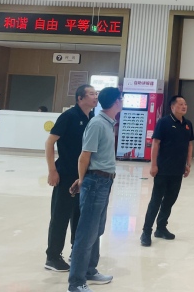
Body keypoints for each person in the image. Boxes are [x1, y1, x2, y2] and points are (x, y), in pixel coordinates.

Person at [67, 87, 122, 292]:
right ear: (116, 102)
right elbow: (84, 156)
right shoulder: (98, 124)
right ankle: (76, 282)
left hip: (104, 182)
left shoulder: (108, 123)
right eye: (121, 99)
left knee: (97, 229)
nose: (122, 102)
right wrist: (82, 181)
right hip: (95, 182)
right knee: (86, 233)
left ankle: (90, 270)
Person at [44, 85, 98, 272]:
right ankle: (52, 257)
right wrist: (52, 170)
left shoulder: (92, 117)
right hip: (66, 174)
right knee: (60, 215)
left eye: (96, 94)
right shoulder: (68, 116)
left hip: (83, 175)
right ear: (80, 98)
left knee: (79, 215)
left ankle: (77, 250)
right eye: (91, 94)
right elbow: (50, 142)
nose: (95, 96)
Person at [140, 95, 194, 247]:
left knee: (170, 200)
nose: (184, 106)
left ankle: (161, 228)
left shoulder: (188, 124)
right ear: (172, 107)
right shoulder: (163, 122)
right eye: (180, 104)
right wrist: (153, 165)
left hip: (178, 170)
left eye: (185, 104)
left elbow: (189, 145)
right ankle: (146, 232)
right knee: (156, 201)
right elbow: (156, 143)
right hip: (163, 169)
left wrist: (188, 164)